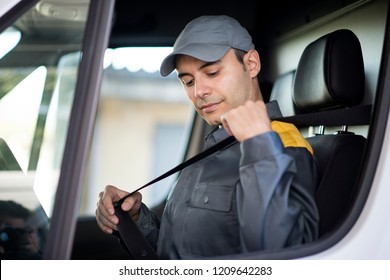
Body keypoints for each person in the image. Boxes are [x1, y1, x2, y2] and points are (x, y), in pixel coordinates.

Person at [96, 15, 319, 259]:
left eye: (212, 73)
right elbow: (180, 251)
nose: (199, 91)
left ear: (252, 64)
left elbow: (284, 257)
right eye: (188, 81)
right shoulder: (215, 145)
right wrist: (137, 219)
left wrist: (259, 146)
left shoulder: (282, 145)